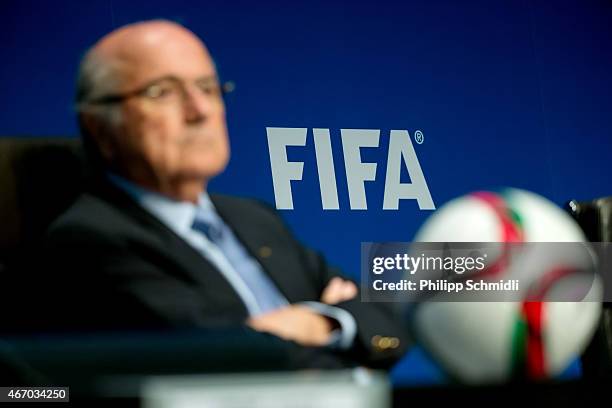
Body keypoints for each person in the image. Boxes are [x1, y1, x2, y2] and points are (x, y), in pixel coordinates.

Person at [39, 20, 408, 369]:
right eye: (163, 92)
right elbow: (226, 358)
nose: (199, 110)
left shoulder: (253, 218)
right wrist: (340, 331)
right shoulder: (91, 238)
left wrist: (321, 323)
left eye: (207, 88)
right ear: (99, 126)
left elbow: (386, 320)